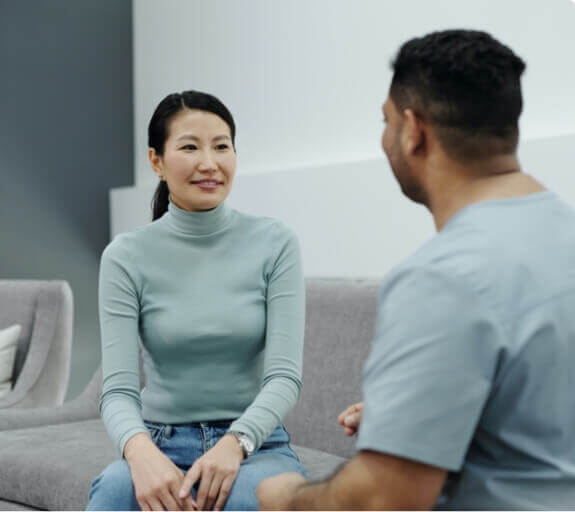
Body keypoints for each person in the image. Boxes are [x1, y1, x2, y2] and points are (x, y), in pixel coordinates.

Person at [257, 29, 575, 510]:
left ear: (414, 130)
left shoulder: (442, 276)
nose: (384, 137)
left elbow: (383, 499)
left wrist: (284, 497)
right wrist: (417, 416)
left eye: (384, 121)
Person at [86, 90, 307, 511]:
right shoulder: (125, 256)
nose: (210, 162)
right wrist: (141, 454)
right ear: (157, 161)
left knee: (251, 499)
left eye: (221, 146)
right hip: (160, 443)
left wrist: (234, 443)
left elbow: (284, 377)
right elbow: (117, 389)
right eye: (190, 147)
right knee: (114, 493)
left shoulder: (275, 243)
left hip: (254, 445)